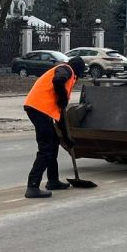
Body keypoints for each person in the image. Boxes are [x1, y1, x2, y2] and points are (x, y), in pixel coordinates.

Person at [22, 55, 87, 198]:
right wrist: (63, 98)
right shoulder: (66, 69)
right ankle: (32, 186)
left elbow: (60, 118)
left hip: (38, 109)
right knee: (46, 148)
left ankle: (53, 181)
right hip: (38, 109)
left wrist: (65, 138)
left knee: (54, 142)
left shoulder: (65, 75)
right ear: (78, 70)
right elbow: (58, 80)